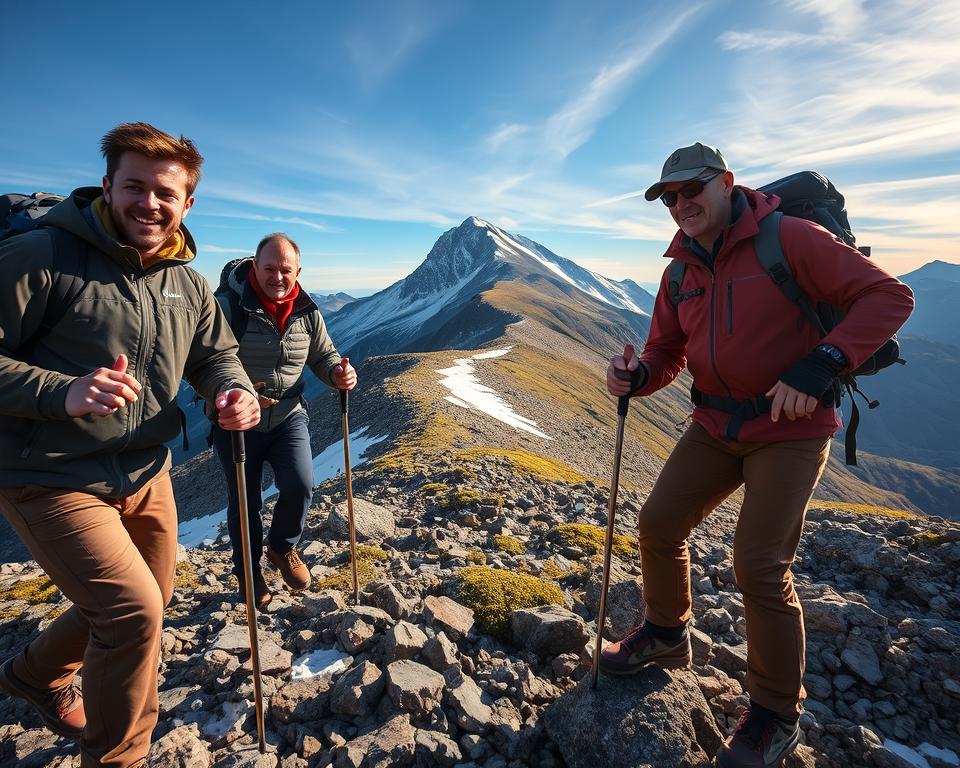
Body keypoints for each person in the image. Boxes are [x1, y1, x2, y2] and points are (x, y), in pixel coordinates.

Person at [601, 143, 913, 768]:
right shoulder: (680, 272)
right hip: (717, 423)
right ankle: (666, 635)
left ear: (725, 183)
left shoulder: (790, 238)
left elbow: (889, 297)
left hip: (791, 431)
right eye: (670, 198)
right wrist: (636, 378)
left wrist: (821, 363)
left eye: (692, 191)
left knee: (759, 565)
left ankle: (775, 712)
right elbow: (668, 351)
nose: (681, 205)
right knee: (658, 524)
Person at [0, 122, 260, 768]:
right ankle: (119, 760)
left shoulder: (190, 286)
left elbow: (217, 356)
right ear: (108, 186)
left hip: (146, 472)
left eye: (165, 193)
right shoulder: (42, 257)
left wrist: (232, 391)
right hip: (48, 474)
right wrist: (61, 393)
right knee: (134, 615)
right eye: (135, 186)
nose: (149, 203)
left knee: (149, 598)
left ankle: (32, 674)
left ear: (188, 205)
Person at [210, 233, 357, 609]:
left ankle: (281, 549)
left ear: (298, 272)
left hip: (288, 414)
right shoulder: (227, 308)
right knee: (246, 502)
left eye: (285, 269)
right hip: (236, 422)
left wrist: (337, 374)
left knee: (300, 485)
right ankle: (249, 574)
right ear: (254, 268)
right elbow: (202, 363)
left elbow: (323, 355)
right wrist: (234, 394)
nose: (277, 277)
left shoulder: (307, 310)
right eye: (269, 268)